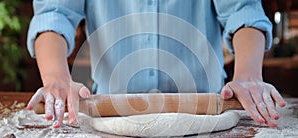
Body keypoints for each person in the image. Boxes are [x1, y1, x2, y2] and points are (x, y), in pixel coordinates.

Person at [26, 0, 286, 129]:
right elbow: (55, 12)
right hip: (111, 118)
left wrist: (248, 75)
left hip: (208, 116)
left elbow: (242, 9)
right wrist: (56, 77)